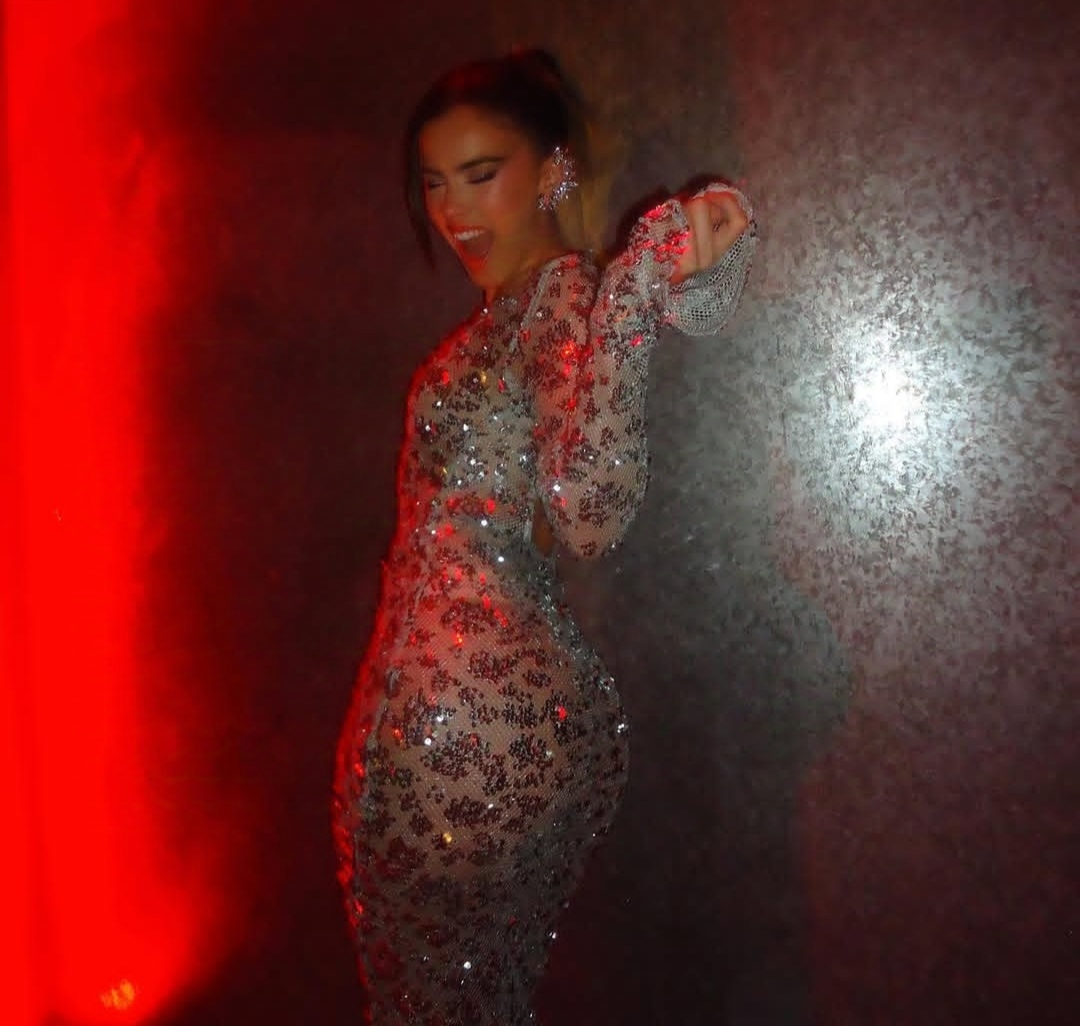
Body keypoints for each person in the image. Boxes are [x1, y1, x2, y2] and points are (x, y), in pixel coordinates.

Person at [332, 49, 756, 1026]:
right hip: (442, 741)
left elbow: (588, 507)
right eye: (435, 183)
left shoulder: (560, 301)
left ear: (553, 171)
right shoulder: (504, 321)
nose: (453, 210)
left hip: (476, 743)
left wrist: (639, 286)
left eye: (481, 174)